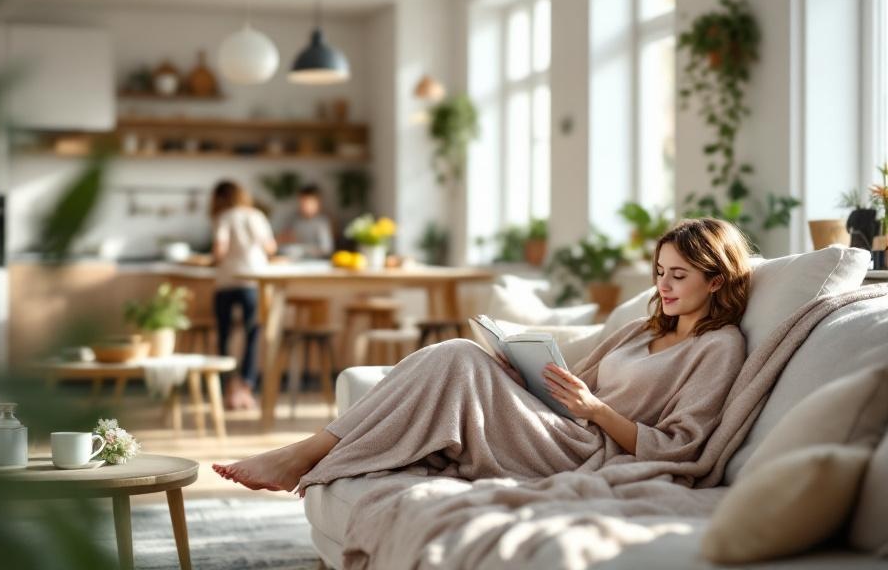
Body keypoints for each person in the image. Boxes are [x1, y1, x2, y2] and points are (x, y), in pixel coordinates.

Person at [213, 218, 752, 493]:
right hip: (561, 427)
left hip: (591, 449)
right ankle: (309, 455)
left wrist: (597, 412)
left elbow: (683, 449)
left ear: (717, 278)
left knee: (454, 355)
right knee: (465, 355)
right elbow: (573, 382)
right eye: (659, 273)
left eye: (679, 276)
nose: (664, 287)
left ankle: (303, 456)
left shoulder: (719, 348)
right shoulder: (640, 329)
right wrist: (522, 374)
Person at [209, 179, 276, 410]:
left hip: (227, 281)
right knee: (252, 335)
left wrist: (211, 260)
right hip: (254, 281)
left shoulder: (223, 217)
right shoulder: (256, 216)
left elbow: (220, 250)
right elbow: (270, 248)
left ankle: (228, 391)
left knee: (224, 335)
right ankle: (246, 390)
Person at [276, 184, 334, 259]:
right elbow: (281, 243)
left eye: (309, 203)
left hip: (315, 263)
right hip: (293, 261)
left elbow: (327, 249)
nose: (305, 206)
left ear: (318, 203)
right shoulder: (293, 220)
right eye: (302, 202)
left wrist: (302, 250)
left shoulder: (322, 222)